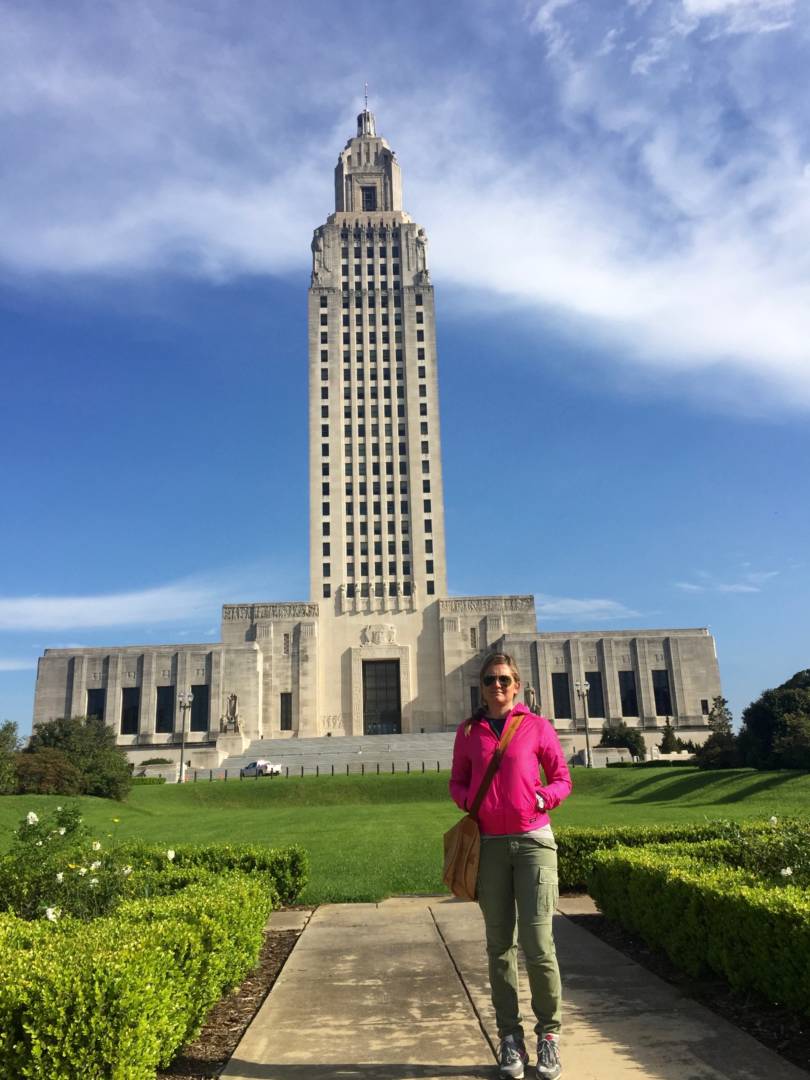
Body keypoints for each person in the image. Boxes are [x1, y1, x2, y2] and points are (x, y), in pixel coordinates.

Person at [449, 653, 572, 1080]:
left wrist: (543, 799)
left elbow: (562, 777)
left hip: (534, 841)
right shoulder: (469, 732)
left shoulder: (536, 726)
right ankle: (510, 1037)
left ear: (517, 685)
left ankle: (549, 1036)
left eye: (503, 679)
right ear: (480, 687)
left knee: (539, 946)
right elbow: (458, 781)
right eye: (489, 680)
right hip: (490, 846)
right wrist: (469, 803)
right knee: (499, 946)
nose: (496, 686)